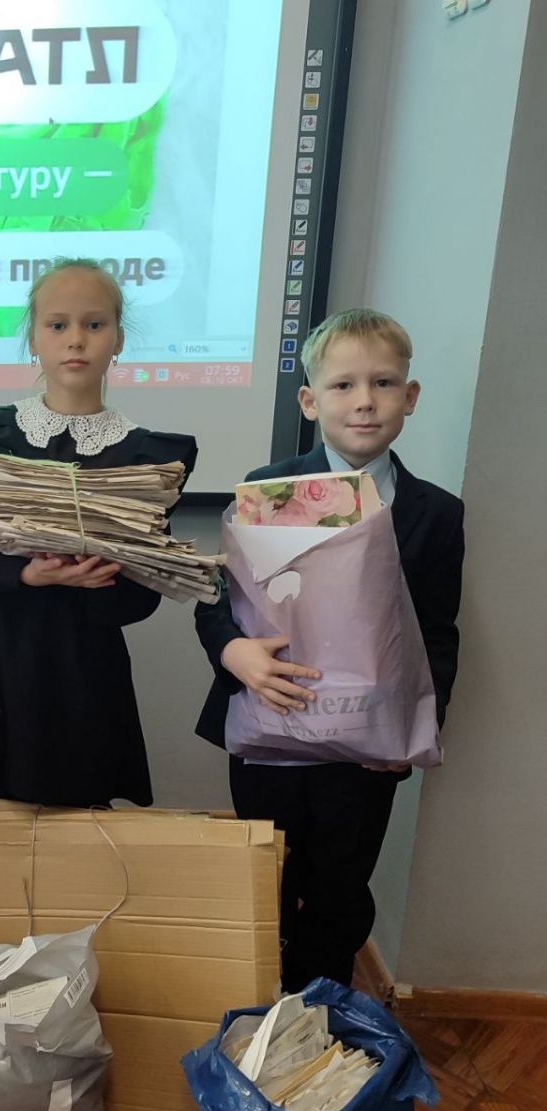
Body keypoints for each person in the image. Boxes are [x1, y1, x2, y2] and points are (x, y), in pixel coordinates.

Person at [194, 307, 465, 992]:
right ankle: (258, 1008)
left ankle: (323, 1015)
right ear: (311, 401)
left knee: (340, 889)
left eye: (383, 382)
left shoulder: (437, 512)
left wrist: (414, 727)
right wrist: (234, 652)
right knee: (266, 879)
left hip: (367, 748)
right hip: (273, 725)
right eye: (343, 385)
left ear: (410, 396)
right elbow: (217, 598)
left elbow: (437, 630)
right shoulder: (271, 489)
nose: (364, 400)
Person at [0, 259, 197, 806]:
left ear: (118, 339)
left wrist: (95, 577)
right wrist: (25, 573)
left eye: (94, 324)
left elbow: (144, 591)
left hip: (83, 670)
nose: (75, 339)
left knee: (78, 821)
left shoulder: (144, 456)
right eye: (57, 325)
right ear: (34, 339)